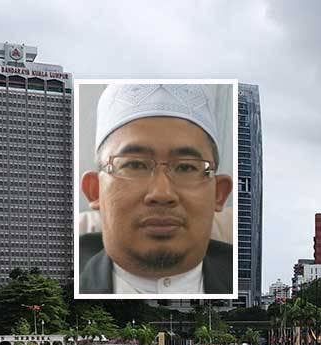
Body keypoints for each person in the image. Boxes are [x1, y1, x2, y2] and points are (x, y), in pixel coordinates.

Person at [78, 83, 234, 295]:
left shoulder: (239, 275)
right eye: (135, 165)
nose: (162, 193)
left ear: (218, 193)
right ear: (95, 190)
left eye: (186, 167)